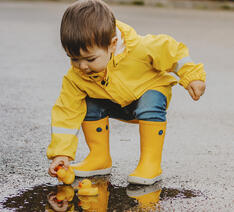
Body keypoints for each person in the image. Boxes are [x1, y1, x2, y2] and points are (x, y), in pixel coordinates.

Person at [47, 0, 206, 185]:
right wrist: (61, 153)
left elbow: (173, 52)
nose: (82, 66)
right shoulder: (76, 77)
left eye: (90, 58)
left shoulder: (140, 47)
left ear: (113, 44)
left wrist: (192, 76)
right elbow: (66, 112)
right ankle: (99, 157)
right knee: (84, 102)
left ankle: (150, 163)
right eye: (74, 59)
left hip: (147, 98)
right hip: (116, 103)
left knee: (151, 100)